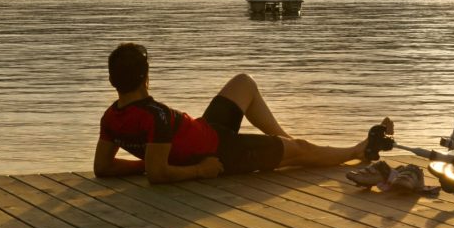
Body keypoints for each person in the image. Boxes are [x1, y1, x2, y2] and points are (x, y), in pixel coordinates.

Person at [94, 42, 393, 184]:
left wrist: (143, 162)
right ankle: (358, 151)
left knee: (244, 82)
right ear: (147, 78)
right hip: (222, 150)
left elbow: (103, 168)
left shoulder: (111, 117)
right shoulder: (154, 116)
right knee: (299, 152)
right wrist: (198, 171)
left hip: (204, 130)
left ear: (112, 81)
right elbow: (158, 175)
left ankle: (288, 144)